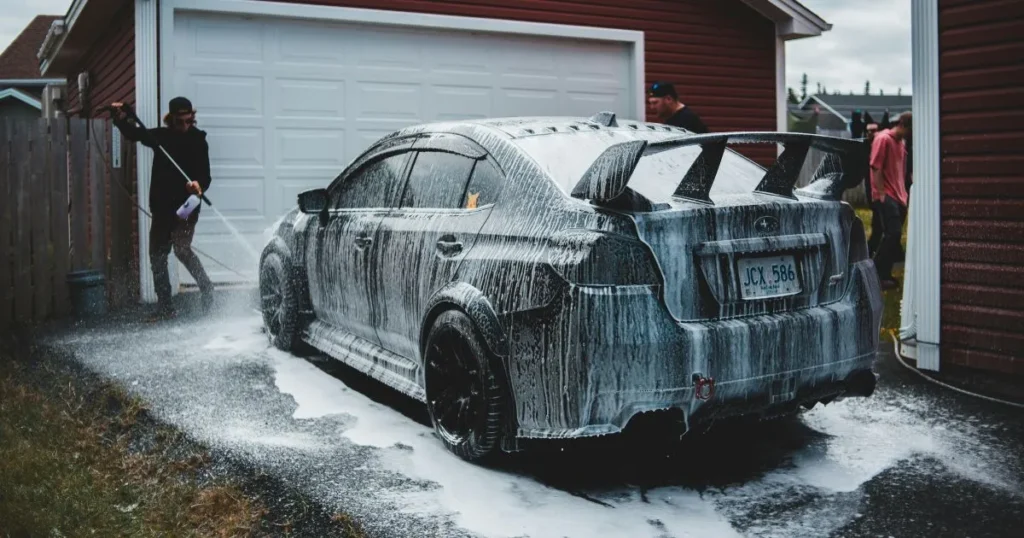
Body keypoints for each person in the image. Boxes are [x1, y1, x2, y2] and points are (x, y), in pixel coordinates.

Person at [111, 97, 215, 320]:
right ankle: (166, 307)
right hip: (162, 207)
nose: (185, 126)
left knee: (181, 248)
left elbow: (205, 175)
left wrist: (199, 185)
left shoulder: (198, 140)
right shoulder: (161, 137)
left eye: (189, 121)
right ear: (171, 120)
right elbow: (134, 133)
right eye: (180, 122)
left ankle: (207, 288)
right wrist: (120, 120)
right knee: (157, 255)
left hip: (188, 205)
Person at [869, 111, 912, 290]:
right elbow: (875, 166)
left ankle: (884, 275)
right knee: (892, 233)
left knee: (893, 237)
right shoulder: (883, 139)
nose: (910, 135)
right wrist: (881, 194)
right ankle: (875, 275)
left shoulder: (901, 143)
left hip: (899, 196)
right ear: (902, 125)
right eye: (909, 130)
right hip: (886, 194)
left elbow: (901, 170)